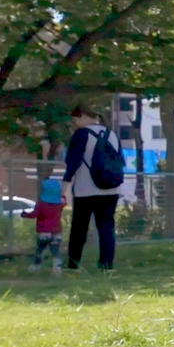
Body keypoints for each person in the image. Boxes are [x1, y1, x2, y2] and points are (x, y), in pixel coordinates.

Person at [62, 105, 123, 270]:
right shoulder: (112, 135)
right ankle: (106, 264)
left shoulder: (82, 134)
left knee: (79, 228)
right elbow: (120, 162)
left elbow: (72, 164)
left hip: (86, 190)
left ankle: (73, 263)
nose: (74, 123)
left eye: (75, 120)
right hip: (111, 188)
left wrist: (64, 189)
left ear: (81, 116)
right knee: (106, 227)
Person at [23, 178, 65, 272]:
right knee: (55, 250)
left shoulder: (42, 203)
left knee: (40, 249)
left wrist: (25, 214)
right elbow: (63, 200)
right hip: (56, 230)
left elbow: (35, 214)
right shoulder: (60, 203)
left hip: (43, 231)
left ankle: (36, 266)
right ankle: (57, 268)